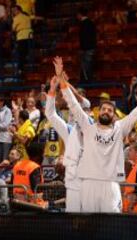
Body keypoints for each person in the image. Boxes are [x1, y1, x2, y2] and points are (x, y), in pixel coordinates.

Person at [55, 56, 137, 212]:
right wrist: (61, 79)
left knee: (112, 226)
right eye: (103, 109)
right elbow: (73, 105)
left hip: (111, 184)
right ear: (98, 112)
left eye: (110, 110)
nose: (106, 111)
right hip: (89, 183)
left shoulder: (120, 128)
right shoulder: (88, 126)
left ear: (114, 115)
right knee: (88, 226)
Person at [45, 76, 91, 212]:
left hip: (91, 182)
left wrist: (64, 82)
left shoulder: (97, 131)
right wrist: (52, 89)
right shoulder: (70, 131)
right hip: (73, 184)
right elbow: (50, 114)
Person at [12, 143, 47, 208]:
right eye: (43, 154)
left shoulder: (17, 165)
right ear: (38, 156)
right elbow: (36, 189)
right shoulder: (34, 167)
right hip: (32, 205)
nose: (44, 156)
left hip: (17, 203)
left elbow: (12, 184)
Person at [77, 7, 96, 82]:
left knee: (86, 66)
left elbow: (83, 37)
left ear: (80, 14)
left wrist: (82, 49)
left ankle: (87, 81)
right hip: (90, 47)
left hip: (86, 49)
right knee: (87, 66)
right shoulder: (91, 23)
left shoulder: (83, 24)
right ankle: (87, 80)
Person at [12, 5, 33, 74]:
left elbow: (13, 28)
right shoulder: (27, 17)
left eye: (15, 10)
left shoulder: (16, 18)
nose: (13, 12)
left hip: (21, 37)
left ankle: (20, 69)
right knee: (26, 52)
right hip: (30, 36)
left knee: (21, 54)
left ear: (19, 10)